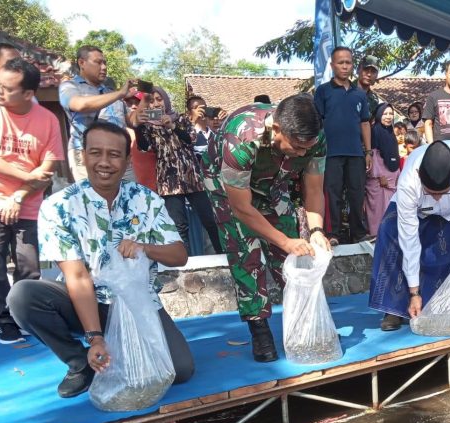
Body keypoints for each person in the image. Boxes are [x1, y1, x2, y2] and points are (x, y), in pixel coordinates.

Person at [7, 122, 194, 398]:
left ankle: (118, 352)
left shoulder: (147, 200)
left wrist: (145, 248)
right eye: (96, 153)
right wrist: (95, 337)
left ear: (127, 160)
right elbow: (77, 277)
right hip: (84, 301)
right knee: (23, 296)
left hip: (138, 301)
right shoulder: (59, 206)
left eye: (114, 154)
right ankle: (79, 362)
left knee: (180, 370)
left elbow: (179, 255)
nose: (104, 162)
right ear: (83, 155)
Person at [207, 94, 331, 362]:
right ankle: (259, 328)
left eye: (306, 149)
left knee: (293, 258)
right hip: (229, 190)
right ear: (277, 129)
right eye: (297, 147)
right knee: (246, 254)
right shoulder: (240, 139)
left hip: (274, 186)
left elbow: (313, 188)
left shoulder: (314, 138)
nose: (302, 153)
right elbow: (241, 208)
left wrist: (317, 230)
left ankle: (301, 324)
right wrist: (284, 241)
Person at [0, 58, 63, 344]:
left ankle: (26, 316)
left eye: (7, 88)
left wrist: (19, 195)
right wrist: (26, 174)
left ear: (28, 94)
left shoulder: (48, 120)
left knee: (28, 265)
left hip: (27, 201)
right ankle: (1, 321)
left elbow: (49, 167)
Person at [369, 141, 450, 331]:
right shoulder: (408, 181)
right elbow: (409, 240)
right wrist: (414, 293)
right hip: (418, 212)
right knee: (389, 228)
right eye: (431, 193)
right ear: (419, 177)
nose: (438, 198)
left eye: (443, 192)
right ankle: (395, 308)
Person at [136, 87, 223, 255]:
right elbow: (144, 146)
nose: (156, 103)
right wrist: (138, 127)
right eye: (151, 100)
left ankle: (223, 257)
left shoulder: (181, 119)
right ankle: (186, 263)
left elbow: (190, 138)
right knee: (179, 225)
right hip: (169, 181)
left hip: (192, 178)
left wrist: (172, 125)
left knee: (210, 220)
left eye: (159, 99)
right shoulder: (148, 126)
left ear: (166, 100)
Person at [313, 46, 371, 245]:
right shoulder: (323, 91)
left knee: (357, 193)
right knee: (333, 193)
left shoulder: (359, 94)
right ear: (332, 65)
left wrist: (368, 151)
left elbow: (365, 123)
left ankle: (359, 233)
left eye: (348, 62)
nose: (345, 67)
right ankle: (333, 233)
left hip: (356, 152)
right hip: (330, 153)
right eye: (341, 63)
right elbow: (316, 121)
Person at [59, 45, 140, 181]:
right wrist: (120, 93)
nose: (104, 67)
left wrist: (145, 102)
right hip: (87, 153)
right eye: (98, 62)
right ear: (81, 63)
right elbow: (80, 104)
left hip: (118, 153)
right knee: (93, 200)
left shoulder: (110, 92)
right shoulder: (70, 87)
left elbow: (132, 122)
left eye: (104, 63)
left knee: (130, 198)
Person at [365, 103, 400, 235]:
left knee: (390, 211)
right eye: (385, 114)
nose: (388, 116)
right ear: (379, 115)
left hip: (391, 179)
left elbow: (393, 155)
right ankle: (376, 236)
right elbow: (373, 155)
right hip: (379, 181)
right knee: (378, 211)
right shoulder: (375, 131)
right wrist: (379, 175)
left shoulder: (390, 131)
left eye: (391, 114)